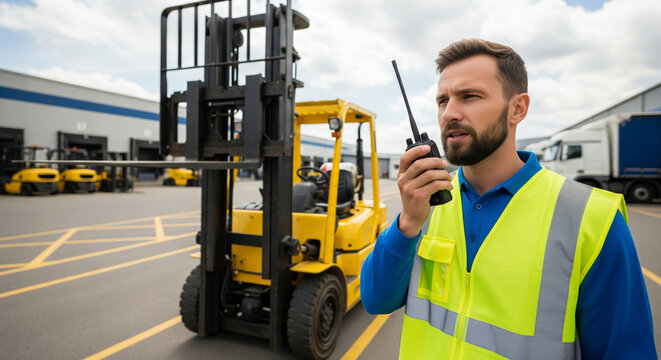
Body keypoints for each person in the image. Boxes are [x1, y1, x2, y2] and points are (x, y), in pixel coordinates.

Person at [361, 39, 656, 359]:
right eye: (442, 100)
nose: (450, 113)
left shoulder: (591, 218)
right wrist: (407, 223)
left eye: (469, 97)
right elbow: (377, 300)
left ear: (518, 108)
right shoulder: (425, 203)